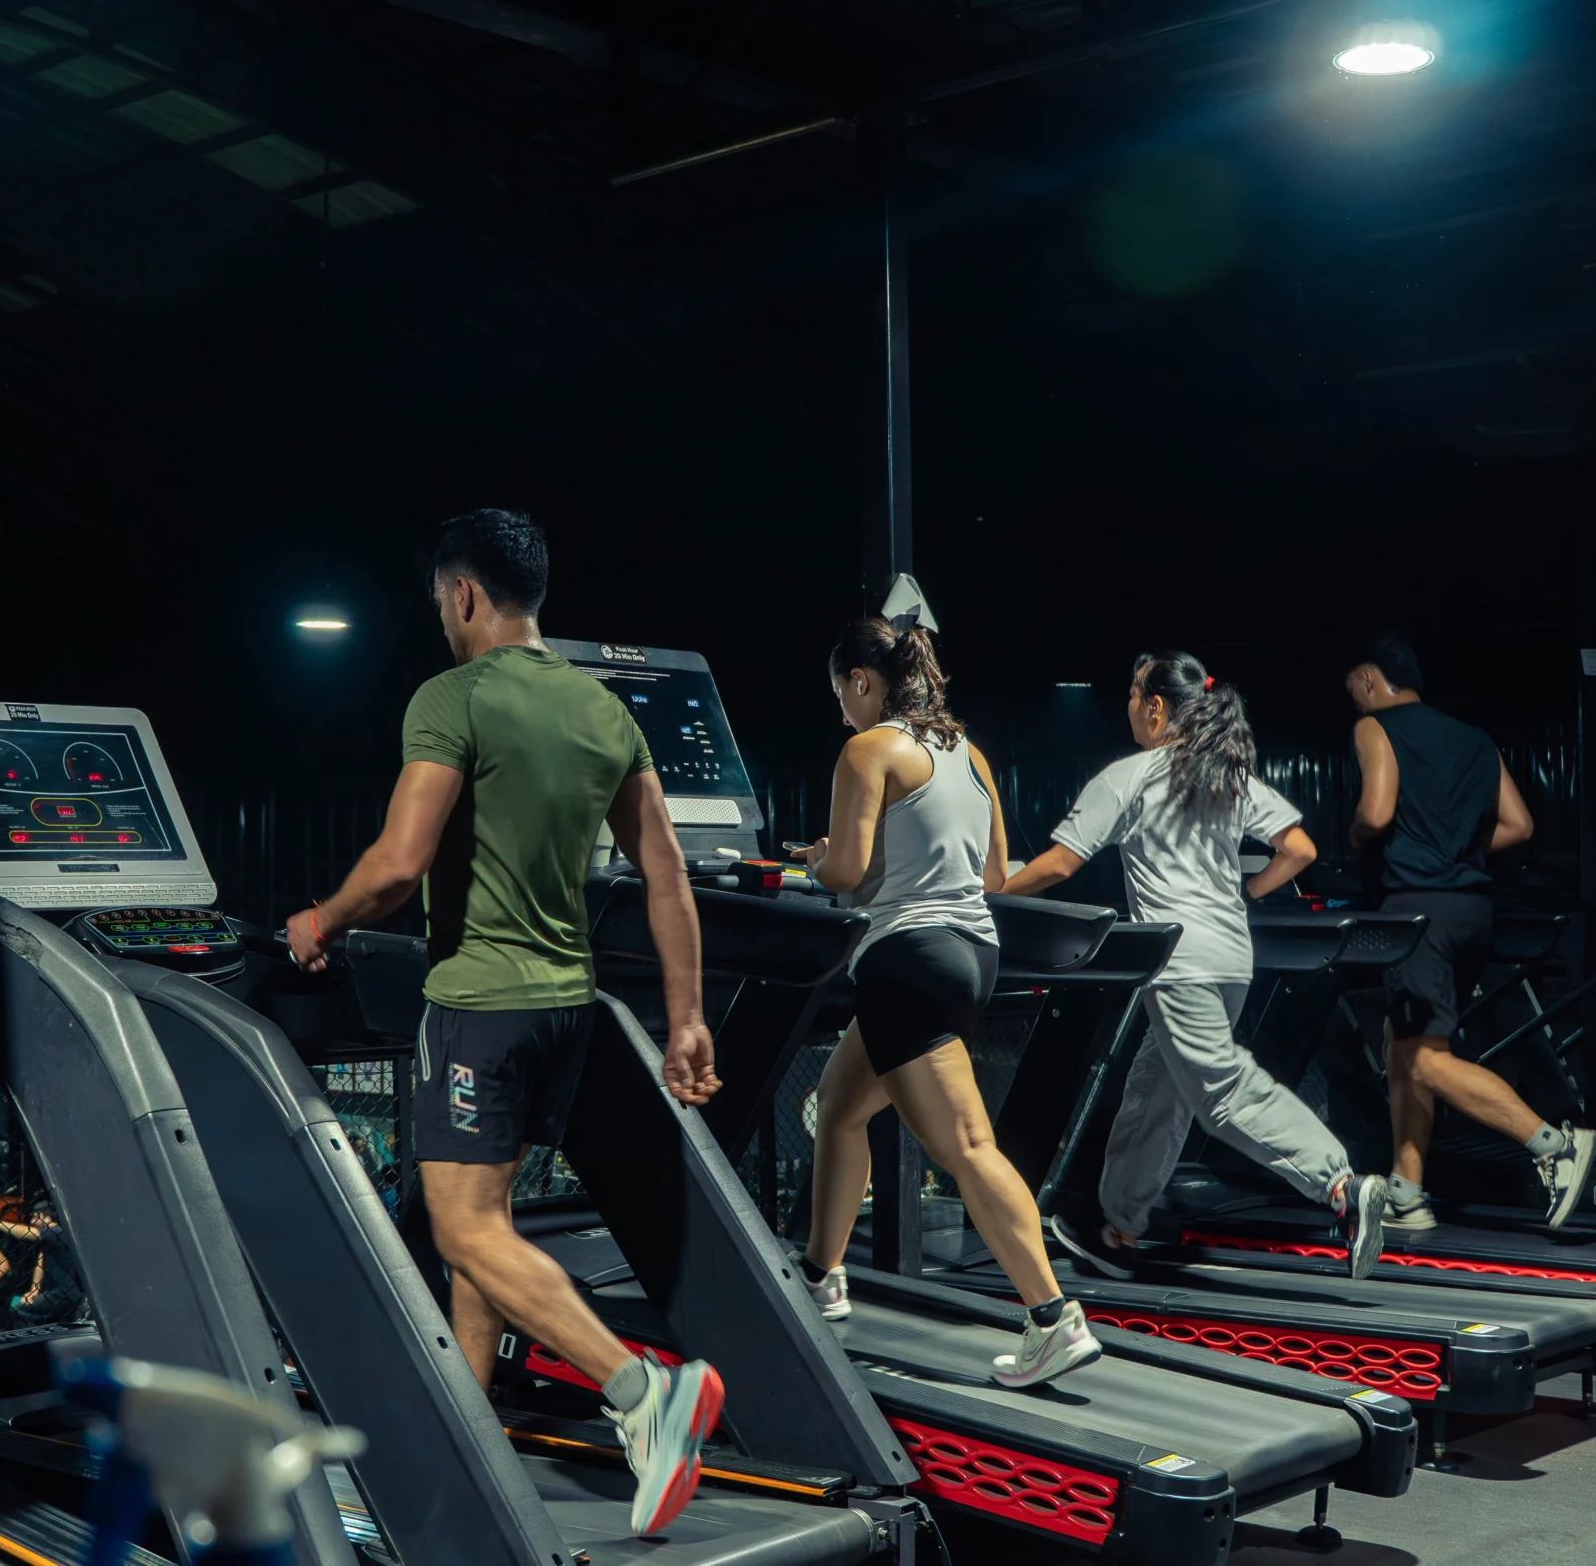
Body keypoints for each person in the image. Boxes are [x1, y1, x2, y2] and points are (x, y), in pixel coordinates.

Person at [284, 508, 724, 1537]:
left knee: (461, 1226)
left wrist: (320, 917)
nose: (442, 616)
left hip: (479, 1007)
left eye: (442, 600)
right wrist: (688, 1016)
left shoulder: (452, 696)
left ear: (466, 594)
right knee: (489, 1221)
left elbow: (396, 867)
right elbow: (666, 874)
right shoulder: (602, 709)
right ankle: (468, 1422)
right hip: (568, 1009)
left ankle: (642, 1392)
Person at [1002, 653, 1390, 1281]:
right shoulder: (1226, 776)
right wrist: (1251, 893)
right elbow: (1300, 848)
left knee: (1221, 1093)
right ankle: (1120, 1227)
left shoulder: (1130, 776)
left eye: (1132, 695)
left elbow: (1059, 865)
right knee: (1159, 1089)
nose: (1127, 706)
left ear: (1155, 708)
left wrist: (991, 897)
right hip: (1232, 960)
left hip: (1180, 964)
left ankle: (1340, 1183)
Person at [789, 618, 1099, 1387]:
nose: (841, 712)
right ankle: (821, 1277)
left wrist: (820, 862)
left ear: (862, 680)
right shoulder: (971, 756)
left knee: (964, 1147)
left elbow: (849, 872)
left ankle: (1053, 1317)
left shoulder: (867, 750)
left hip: (908, 959)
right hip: (972, 954)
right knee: (837, 1106)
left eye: (841, 694)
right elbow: (994, 874)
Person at [1344, 634, 1590, 1230]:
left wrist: (1354, 839)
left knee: (1425, 1061)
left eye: (1352, 685)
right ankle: (1408, 1193)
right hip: (1473, 912)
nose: (1350, 696)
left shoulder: (1375, 728)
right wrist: (1453, 854)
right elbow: (1520, 824)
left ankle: (1556, 1146)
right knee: (1403, 1050)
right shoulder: (1474, 737)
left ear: (1371, 678)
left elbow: (1376, 814)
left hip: (1416, 915)